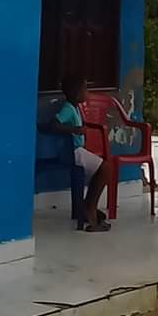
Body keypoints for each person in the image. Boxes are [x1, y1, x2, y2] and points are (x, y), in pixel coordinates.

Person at [52, 72, 110, 231]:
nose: (87, 93)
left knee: (103, 169)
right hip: (74, 152)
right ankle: (89, 208)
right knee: (105, 168)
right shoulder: (68, 109)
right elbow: (54, 124)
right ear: (77, 93)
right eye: (85, 89)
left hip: (79, 151)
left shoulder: (75, 108)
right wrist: (74, 129)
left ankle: (88, 205)